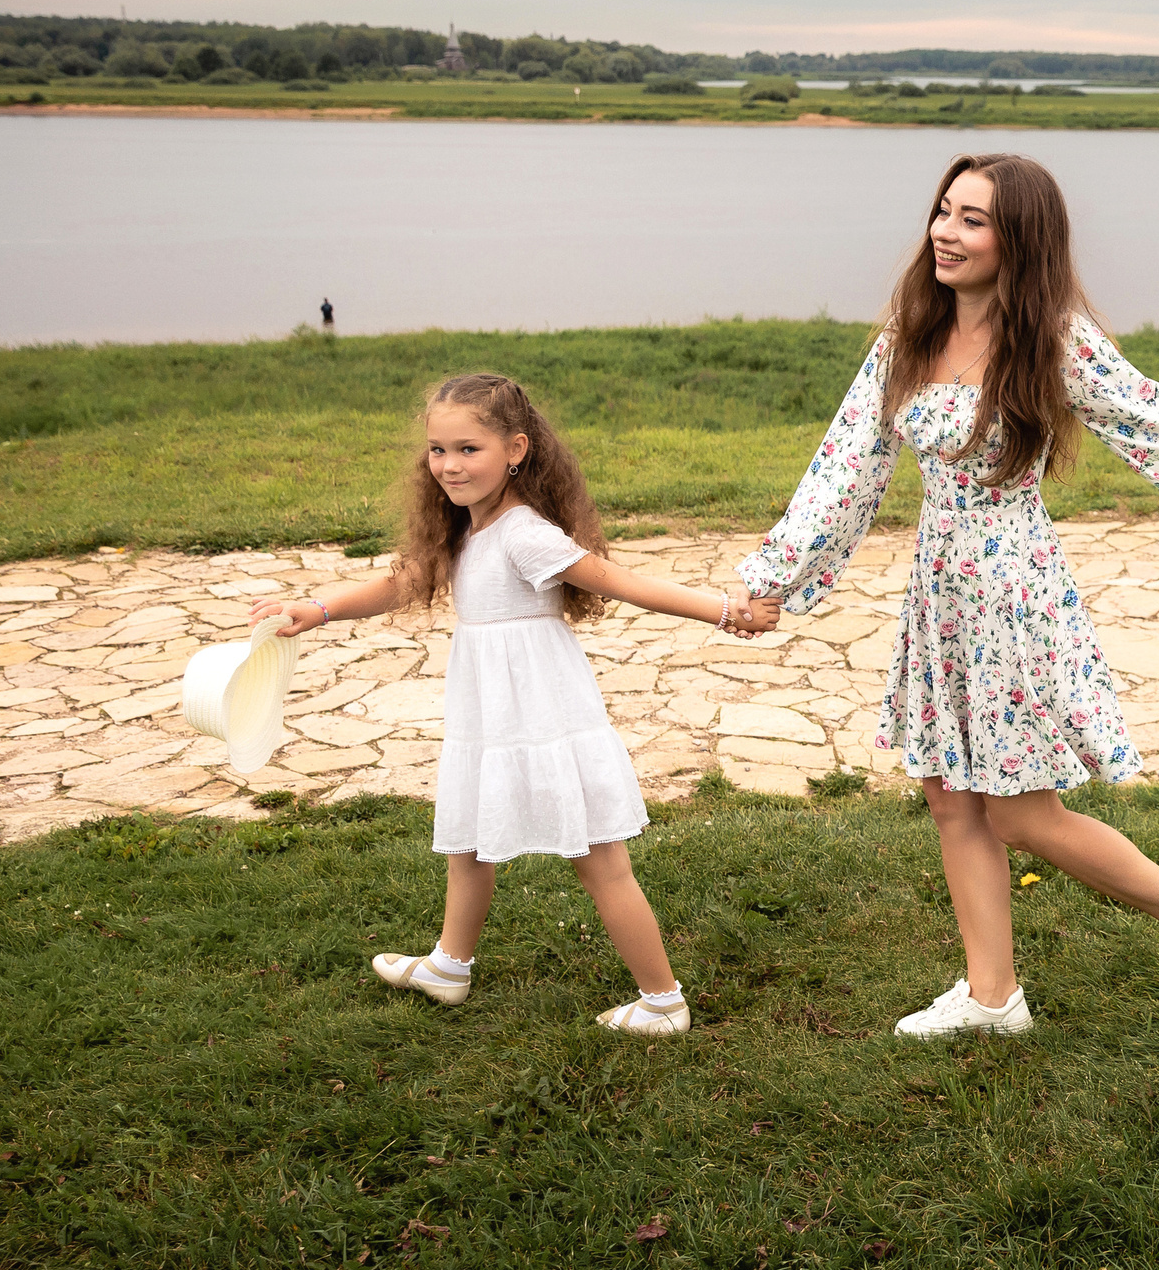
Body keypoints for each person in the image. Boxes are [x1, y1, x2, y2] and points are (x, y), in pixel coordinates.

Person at [739, 152, 1159, 1039]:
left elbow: (1157, 419)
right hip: (941, 586)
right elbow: (848, 464)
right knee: (948, 792)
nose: (945, 232)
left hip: (1012, 588)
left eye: (973, 220)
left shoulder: (1054, 338)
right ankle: (992, 995)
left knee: (1018, 808)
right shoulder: (908, 336)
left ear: (1020, 240)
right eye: (943, 211)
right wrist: (776, 577)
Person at [252, 372, 781, 1035]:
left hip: (544, 714)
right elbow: (403, 580)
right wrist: (317, 608)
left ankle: (663, 1000)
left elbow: (617, 580)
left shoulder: (524, 534)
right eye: (438, 449)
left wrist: (725, 609)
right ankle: (450, 963)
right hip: (490, 713)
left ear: (516, 449)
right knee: (470, 841)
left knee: (599, 859)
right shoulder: (465, 530)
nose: (449, 464)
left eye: (468, 448)